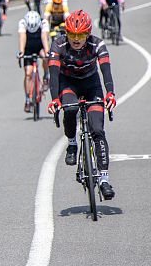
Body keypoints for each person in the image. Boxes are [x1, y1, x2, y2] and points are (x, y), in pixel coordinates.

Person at [46, 10, 117, 200]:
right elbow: (53, 74)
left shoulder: (97, 44)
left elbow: (106, 71)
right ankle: (71, 143)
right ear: (66, 33)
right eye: (72, 35)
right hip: (68, 83)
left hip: (91, 83)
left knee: (97, 130)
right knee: (70, 109)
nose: (76, 39)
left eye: (81, 35)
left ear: (88, 34)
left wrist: (110, 93)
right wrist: (54, 99)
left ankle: (104, 179)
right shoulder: (58, 44)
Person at [15, 10, 50, 111]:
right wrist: (21, 52)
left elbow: (44, 37)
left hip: (40, 46)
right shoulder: (22, 23)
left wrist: (47, 52)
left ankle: (46, 75)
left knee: (45, 56)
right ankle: (27, 99)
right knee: (28, 74)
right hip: (28, 48)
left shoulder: (44, 23)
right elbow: (22, 37)